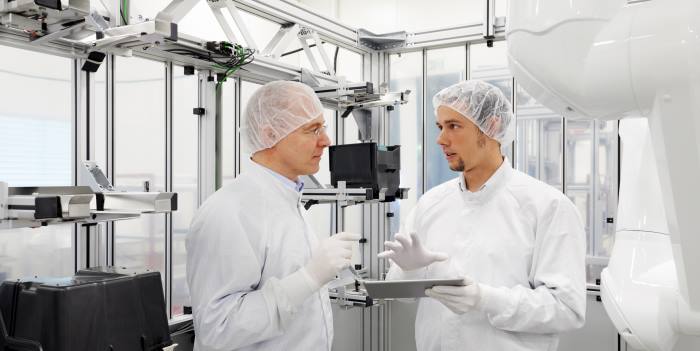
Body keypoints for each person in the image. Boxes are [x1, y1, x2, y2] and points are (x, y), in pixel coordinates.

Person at [379, 80, 587, 350]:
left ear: (493, 126)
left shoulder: (546, 206)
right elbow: (401, 294)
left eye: (454, 126)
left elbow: (566, 309)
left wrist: (484, 299)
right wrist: (409, 270)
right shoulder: (430, 204)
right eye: (440, 127)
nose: (441, 139)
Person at [187, 81, 360, 351]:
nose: (326, 141)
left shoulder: (288, 199)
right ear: (270, 135)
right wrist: (308, 279)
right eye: (312, 130)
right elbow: (218, 329)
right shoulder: (229, 212)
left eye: (322, 127)